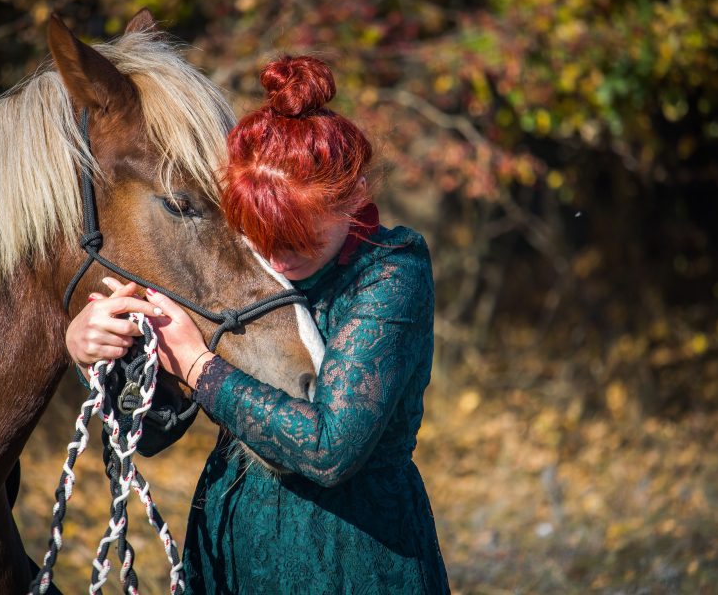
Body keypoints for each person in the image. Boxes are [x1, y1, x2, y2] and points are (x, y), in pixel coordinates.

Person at [66, 55, 450, 593]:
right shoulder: (249, 263)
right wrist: (97, 353)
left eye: (298, 239)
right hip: (231, 545)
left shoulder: (389, 271)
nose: (277, 258)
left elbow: (330, 448)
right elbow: (149, 436)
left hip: (356, 557)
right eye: (262, 235)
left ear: (354, 196)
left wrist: (199, 365)